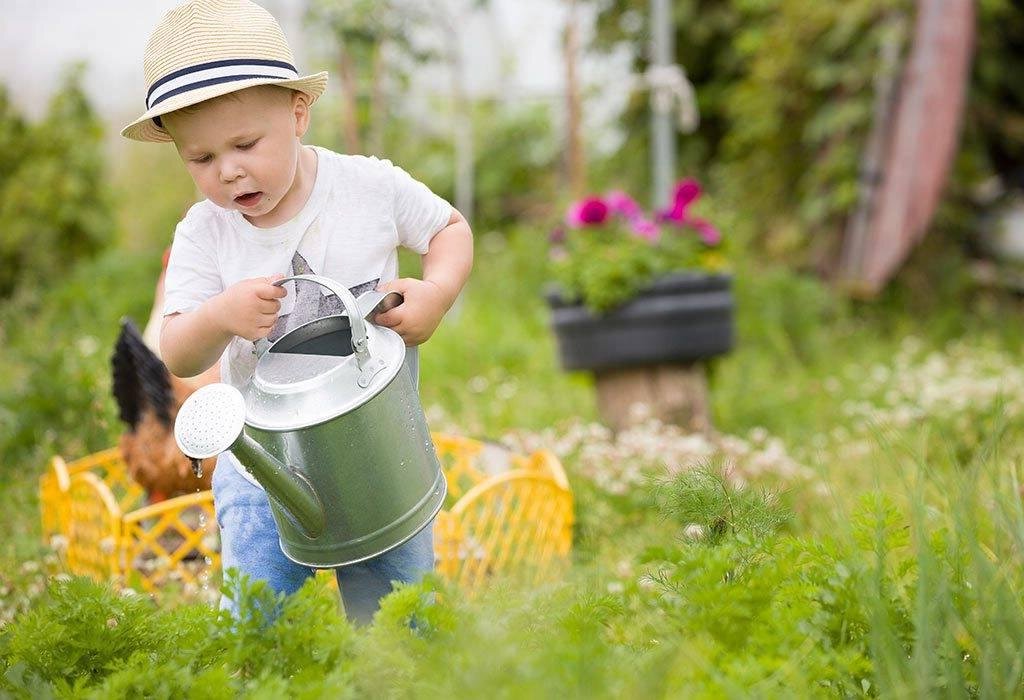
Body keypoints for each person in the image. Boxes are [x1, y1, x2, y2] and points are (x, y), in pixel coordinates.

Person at [121, 0, 473, 625]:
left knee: (404, 623)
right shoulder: (206, 233)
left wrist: (437, 292)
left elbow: (449, 227)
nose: (228, 171)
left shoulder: (369, 188)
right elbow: (175, 350)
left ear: (298, 112)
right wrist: (221, 315)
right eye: (200, 159)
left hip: (377, 457)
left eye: (246, 144)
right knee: (259, 627)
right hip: (264, 475)